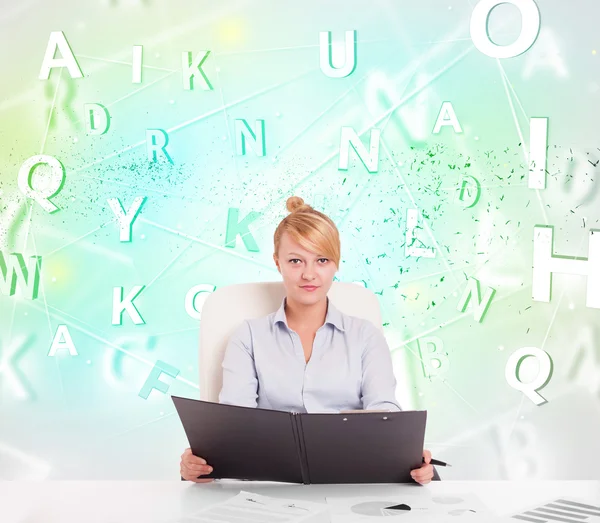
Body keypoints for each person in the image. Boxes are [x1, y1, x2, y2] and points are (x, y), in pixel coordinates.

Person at [180, 196, 436, 485]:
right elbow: (234, 428)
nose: (309, 274)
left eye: (322, 260)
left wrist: (409, 456)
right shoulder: (248, 337)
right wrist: (201, 464)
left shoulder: (365, 336)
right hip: (270, 487)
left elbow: (385, 414)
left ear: (335, 264)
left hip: (349, 481)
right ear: (278, 263)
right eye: (295, 261)